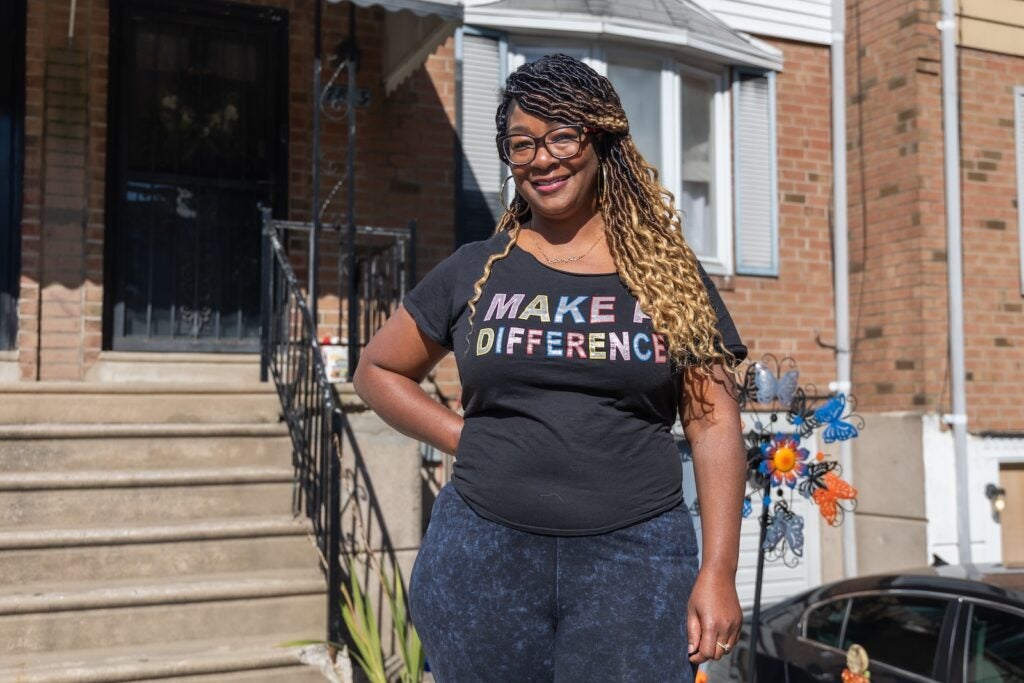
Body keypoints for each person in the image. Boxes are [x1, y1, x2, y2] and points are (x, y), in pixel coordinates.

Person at [353, 54, 748, 682]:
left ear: (601, 140)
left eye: (562, 135)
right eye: (521, 144)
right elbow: (377, 370)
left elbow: (714, 426)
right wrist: (464, 435)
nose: (542, 159)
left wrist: (719, 570)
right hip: (483, 556)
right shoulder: (474, 269)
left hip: (634, 562)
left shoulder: (670, 276)